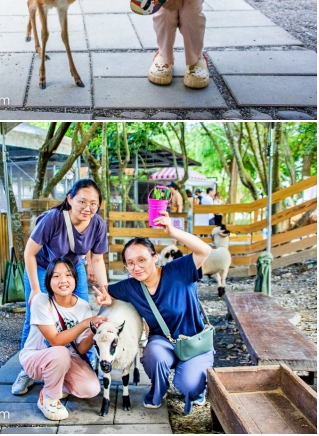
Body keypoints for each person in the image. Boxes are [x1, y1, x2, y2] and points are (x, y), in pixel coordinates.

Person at [96, 214, 214, 413]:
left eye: (142, 260)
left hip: (194, 341)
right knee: (153, 355)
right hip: (163, 342)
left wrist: (173, 232)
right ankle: (158, 389)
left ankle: (193, 383)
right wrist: (108, 300)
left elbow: (205, 250)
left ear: (155, 257)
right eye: (130, 263)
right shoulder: (130, 286)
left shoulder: (178, 270)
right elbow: (107, 293)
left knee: (189, 389)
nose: (136, 267)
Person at [13, 180, 110, 394]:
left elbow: (98, 260)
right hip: (41, 267)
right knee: (34, 317)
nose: (88, 208)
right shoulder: (52, 220)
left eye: (93, 203)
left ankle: (85, 365)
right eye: (82, 201)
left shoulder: (98, 225)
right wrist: (37, 291)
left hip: (74, 268)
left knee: (83, 312)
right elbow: (29, 253)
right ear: (70, 199)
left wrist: (104, 290)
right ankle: (27, 370)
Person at [19, 256, 104, 420]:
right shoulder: (41, 301)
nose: (63, 280)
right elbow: (55, 341)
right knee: (60, 352)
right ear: (49, 281)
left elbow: (80, 348)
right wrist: (84, 324)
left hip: (66, 359)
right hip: (35, 357)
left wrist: (93, 330)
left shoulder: (83, 306)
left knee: (91, 388)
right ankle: (49, 397)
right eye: (56, 276)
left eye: (68, 275)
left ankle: (55, 383)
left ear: (75, 279)